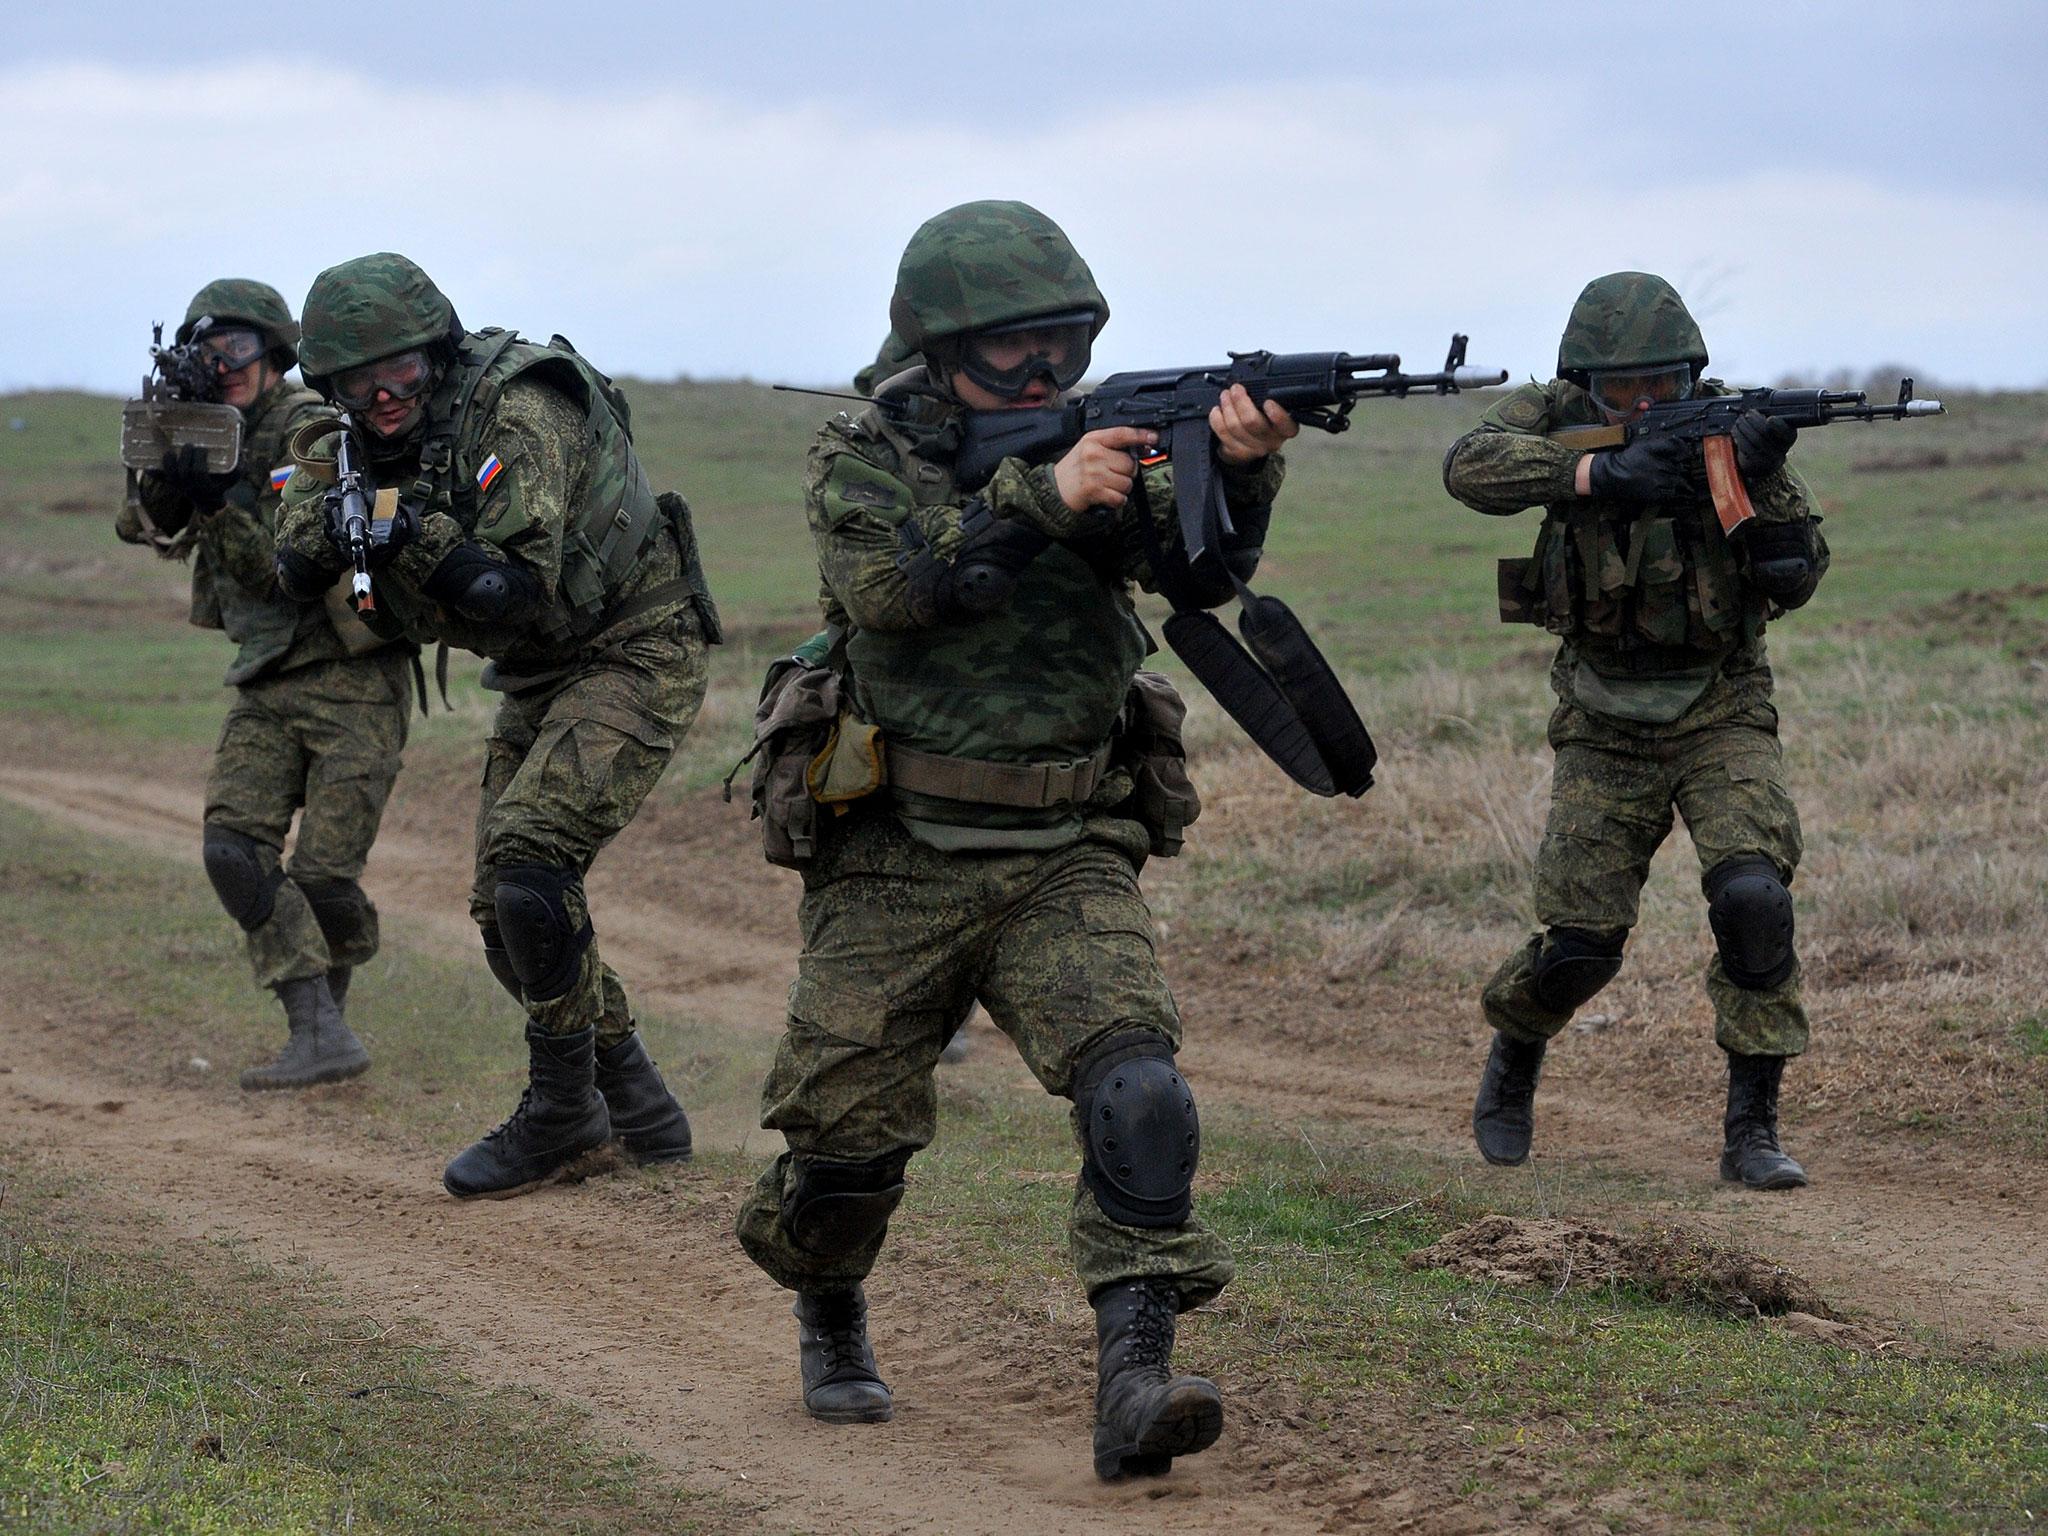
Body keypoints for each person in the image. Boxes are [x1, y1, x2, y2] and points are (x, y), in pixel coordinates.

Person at [733, 200, 1297, 1480]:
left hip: (1067, 841)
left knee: (1139, 1091)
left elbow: (1195, 575)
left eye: (1062, 347)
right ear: (938, 352)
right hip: (892, 850)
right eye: (1013, 355)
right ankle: (830, 1306)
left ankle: (1134, 1382)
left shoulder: (1113, 441)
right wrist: (1039, 493)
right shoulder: (862, 450)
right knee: (844, 1155)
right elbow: (889, 594)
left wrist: (1239, 463)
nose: (1045, 375)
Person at [272, 253, 720, 1198]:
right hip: (539, 673)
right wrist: (328, 525)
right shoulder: (345, 440)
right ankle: (636, 1101)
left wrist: (408, 535)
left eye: (398, 370)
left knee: (528, 867)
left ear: (435, 351)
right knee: (503, 916)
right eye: (356, 380)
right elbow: (291, 569)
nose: (381, 395)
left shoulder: (519, 412)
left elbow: (510, 590)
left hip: (635, 645)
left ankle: (562, 1112)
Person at [1441, 271, 1827, 1191]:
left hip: (1721, 706)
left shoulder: (1728, 430)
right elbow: (1468, 464)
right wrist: (1595, 469)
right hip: (1602, 719)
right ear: (1586, 384)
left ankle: (1753, 1127)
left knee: (1753, 901)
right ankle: (1518, 1046)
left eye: (1661, 386)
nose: (1646, 404)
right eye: (1622, 392)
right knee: (1581, 943)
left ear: (1692, 374)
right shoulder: (1550, 414)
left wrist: (1758, 477)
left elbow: (1799, 572)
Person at [117, 279, 411, 1090]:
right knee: (232, 850)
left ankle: (329, 1025)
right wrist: (169, 482)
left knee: (323, 877)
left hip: (352, 672)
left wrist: (215, 501)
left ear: (276, 350)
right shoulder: (213, 426)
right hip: (265, 675)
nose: (228, 366)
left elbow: (282, 570)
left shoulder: (310, 430)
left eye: (241, 348)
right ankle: (318, 1029)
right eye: (210, 354)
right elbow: (142, 526)